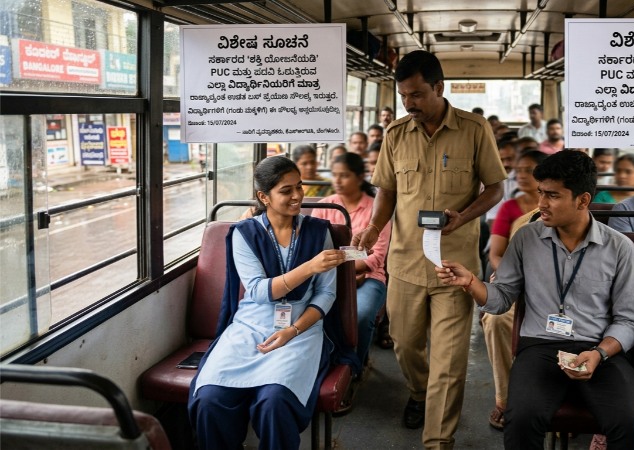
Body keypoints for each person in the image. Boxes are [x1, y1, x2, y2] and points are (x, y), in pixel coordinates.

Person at [351, 50, 506, 449]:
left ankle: (437, 441)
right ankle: (419, 392)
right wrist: (372, 228)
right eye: (404, 96)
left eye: (417, 94)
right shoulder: (396, 134)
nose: (409, 104)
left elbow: (495, 189)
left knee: (450, 361)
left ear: (439, 87)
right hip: (404, 262)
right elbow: (386, 191)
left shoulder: (474, 130)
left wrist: (465, 215)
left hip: (454, 267)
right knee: (404, 343)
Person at [436, 150, 634, 450]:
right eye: (540, 193)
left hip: (599, 349)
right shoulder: (526, 239)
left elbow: (628, 320)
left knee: (632, 422)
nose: (541, 204)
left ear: (583, 200)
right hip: (541, 346)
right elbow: (501, 298)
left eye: (553, 196)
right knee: (520, 421)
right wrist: (471, 282)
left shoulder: (619, 248)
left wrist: (599, 353)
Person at [189, 156, 347, 450]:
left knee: (275, 402)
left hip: (300, 328)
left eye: (299, 186)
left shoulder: (318, 232)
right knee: (210, 399)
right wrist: (310, 267)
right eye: (286, 191)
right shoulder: (244, 234)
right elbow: (260, 292)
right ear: (264, 197)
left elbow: (326, 294)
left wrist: (294, 330)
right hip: (249, 326)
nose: (298, 195)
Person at [483, 149, 547, 430]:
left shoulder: (560, 209)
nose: (521, 175)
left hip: (550, 283)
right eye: (518, 170)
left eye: (528, 170)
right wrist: (509, 272)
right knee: (495, 319)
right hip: (516, 277)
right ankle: (505, 397)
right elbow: (496, 254)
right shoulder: (510, 209)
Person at [312, 153, 392, 369]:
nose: (337, 181)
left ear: (359, 177)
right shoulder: (324, 206)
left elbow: (375, 258)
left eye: (344, 176)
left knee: (360, 314)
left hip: (367, 278)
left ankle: (355, 366)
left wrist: (337, 262)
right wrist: (346, 262)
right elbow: (313, 249)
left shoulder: (377, 210)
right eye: (335, 175)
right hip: (326, 276)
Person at [485, 138, 520, 229]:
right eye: (502, 160)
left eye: (510, 159)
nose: (505, 164)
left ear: (519, 157)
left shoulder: (529, 179)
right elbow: (492, 218)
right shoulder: (493, 183)